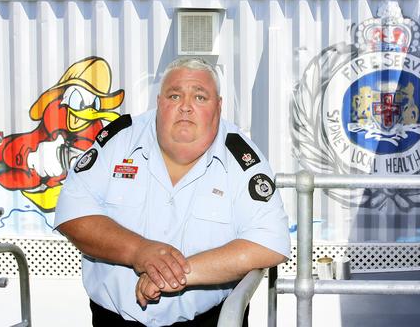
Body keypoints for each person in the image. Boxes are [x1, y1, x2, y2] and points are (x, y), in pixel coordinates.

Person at [55, 57, 290, 326]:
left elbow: (271, 243)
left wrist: (178, 273)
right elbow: (72, 214)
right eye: (175, 95)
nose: (186, 107)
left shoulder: (241, 158)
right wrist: (138, 251)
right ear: (159, 102)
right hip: (113, 320)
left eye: (200, 97)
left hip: (207, 320)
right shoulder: (118, 141)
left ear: (219, 106)